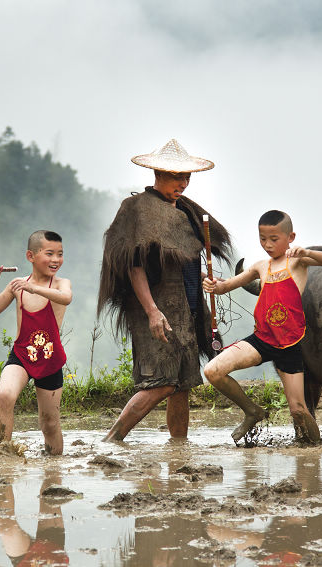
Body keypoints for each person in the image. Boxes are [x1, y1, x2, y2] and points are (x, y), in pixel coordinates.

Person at [97, 139, 232, 442]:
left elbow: (177, 260)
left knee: (181, 384)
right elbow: (134, 266)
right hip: (157, 307)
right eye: (176, 176)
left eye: (187, 177)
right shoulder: (137, 209)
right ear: (157, 173)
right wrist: (152, 312)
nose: (182, 183)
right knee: (161, 382)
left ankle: (179, 449)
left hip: (186, 306)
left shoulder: (186, 211)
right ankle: (110, 442)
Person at [202, 210, 322, 444]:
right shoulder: (260, 267)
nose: (268, 245)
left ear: (290, 237)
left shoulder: (298, 261)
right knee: (213, 371)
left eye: (274, 239)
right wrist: (212, 285)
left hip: (289, 345)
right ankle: (252, 411)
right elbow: (226, 287)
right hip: (261, 340)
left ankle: (315, 450)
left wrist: (306, 252)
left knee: (299, 411)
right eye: (263, 239)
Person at [0, 230, 72, 455]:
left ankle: (54, 473)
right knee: (4, 396)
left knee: (49, 423)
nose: (56, 260)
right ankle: (4, 454)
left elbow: (66, 298)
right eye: (49, 253)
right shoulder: (17, 286)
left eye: (60, 254)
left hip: (50, 359)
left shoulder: (61, 283)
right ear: (30, 256)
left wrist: (33, 287)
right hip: (21, 355)